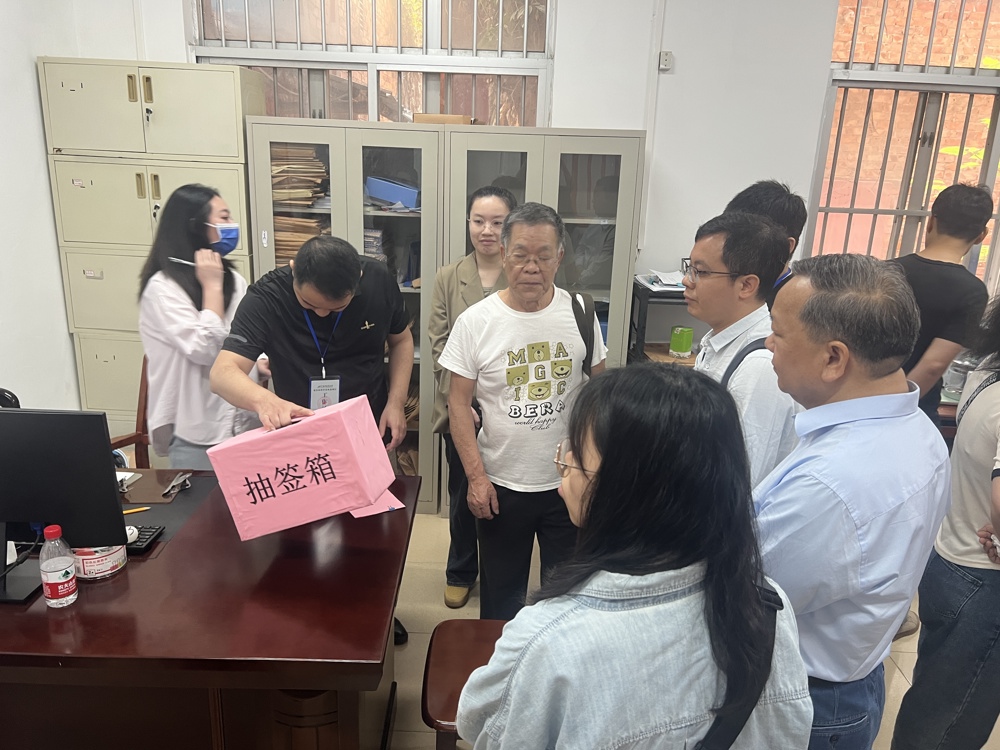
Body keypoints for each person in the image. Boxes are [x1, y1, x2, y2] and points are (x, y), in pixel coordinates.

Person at [456, 363, 813, 748]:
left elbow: (478, 722)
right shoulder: (767, 605)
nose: (563, 473)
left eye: (575, 458)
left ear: (627, 490)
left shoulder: (549, 640)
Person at [756, 254, 951, 750]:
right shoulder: (915, 426)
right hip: (853, 678)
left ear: (833, 358)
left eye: (778, 333)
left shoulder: (832, 484)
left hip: (808, 699)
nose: (768, 344)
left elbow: (744, 593)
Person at [210, 234, 414, 645]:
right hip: (298, 437)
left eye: (336, 308)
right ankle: (307, 617)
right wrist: (266, 401)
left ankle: (373, 614)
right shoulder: (267, 296)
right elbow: (222, 373)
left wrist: (395, 402)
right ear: (293, 272)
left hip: (364, 429)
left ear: (358, 280)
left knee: (372, 533)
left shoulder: (378, 281)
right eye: (309, 305)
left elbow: (401, 340)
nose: (321, 313)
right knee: (300, 533)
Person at [439, 202, 607, 621]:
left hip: (568, 483)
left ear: (559, 257)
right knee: (501, 598)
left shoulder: (580, 312)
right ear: (503, 253)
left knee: (565, 598)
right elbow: (457, 404)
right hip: (501, 484)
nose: (532, 267)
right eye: (520, 255)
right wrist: (476, 479)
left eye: (544, 256)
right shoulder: (476, 322)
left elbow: (599, 397)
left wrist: (595, 472)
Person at [892, 298, 1000, 749]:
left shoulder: (988, 369)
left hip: (952, 557)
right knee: (949, 724)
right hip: (985, 579)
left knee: (933, 701)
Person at [429, 185, 516, 610]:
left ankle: (503, 573)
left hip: (511, 407)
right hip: (460, 406)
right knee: (464, 491)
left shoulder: (521, 273)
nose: (487, 230)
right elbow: (438, 346)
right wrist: (463, 402)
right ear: (468, 223)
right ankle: (461, 570)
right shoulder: (449, 276)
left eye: (497, 222)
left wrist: (494, 398)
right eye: (479, 221)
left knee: (507, 494)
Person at [138, 183, 255, 470]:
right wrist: (211, 288)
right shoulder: (162, 289)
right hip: (199, 433)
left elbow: (247, 338)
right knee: (202, 501)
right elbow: (205, 350)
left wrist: (261, 362)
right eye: (224, 218)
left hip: (244, 427)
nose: (232, 225)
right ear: (195, 227)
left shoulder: (235, 281)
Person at [683, 212, 798, 486]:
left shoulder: (760, 368)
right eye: (690, 268)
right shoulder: (718, 341)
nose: (687, 280)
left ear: (746, 285)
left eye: (701, 272)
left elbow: (741, 481)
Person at [891, 183, 992, 427]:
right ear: (981, 236)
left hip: (862, 395)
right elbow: (933, 365)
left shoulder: (886, 270)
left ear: (930, 221)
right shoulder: (972, 291)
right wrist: (894, 408)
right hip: (912, 408)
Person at [724, 179, 808, 302]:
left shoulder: (795, 307)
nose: (730, 247)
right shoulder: (731, 287)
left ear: (785, 247)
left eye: (746, 238)